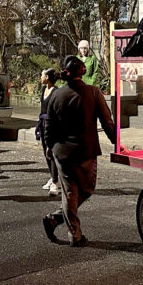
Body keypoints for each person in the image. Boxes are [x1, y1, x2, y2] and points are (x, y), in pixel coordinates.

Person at [43, 55, 116, 247]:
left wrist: (49, 147)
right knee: (85, 189)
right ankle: (74, 234)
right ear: (82, 71)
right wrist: (117, 143)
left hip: (62, 151)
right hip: (86, 151)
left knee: (70, 193)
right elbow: (107, 122)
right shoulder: (93, 92)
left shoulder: (56, 95)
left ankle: (56, 219)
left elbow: (48, 125)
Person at [37, 68, 59, 196]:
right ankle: (52, 176)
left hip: (51, 124)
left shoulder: (55, 91)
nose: (41, 77)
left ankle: (56, 181)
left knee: (51, 151)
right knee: (45, 151)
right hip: (42, 123)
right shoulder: (43, 90)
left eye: (42, 75)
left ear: (48, 77)